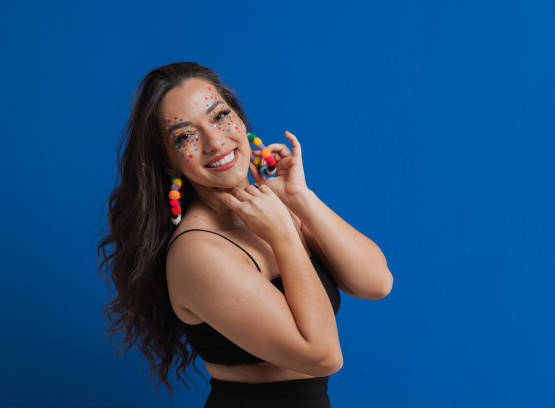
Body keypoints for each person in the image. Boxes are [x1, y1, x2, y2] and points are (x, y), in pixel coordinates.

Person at [97, 61, 393, 407]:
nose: (215, 141)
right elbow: (324, 356)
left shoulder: (269, 206)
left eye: (220, 116)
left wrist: (299, 198)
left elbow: (376, 283)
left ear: (239, 119)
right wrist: (283, 234)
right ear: (168, 162)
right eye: (185, 135)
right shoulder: (197, 252)